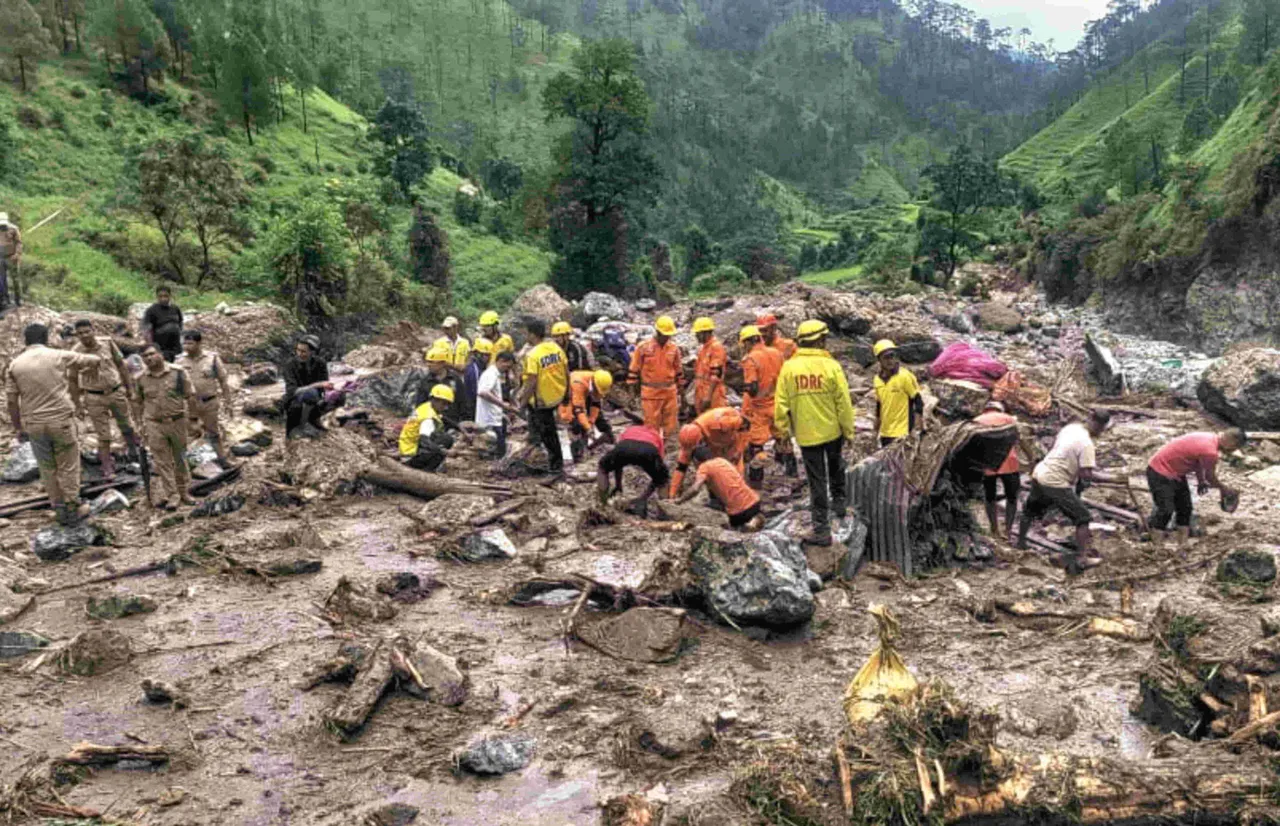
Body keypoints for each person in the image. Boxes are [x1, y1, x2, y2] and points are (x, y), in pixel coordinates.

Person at [5, 324, 103, 524]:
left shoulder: (15, 364)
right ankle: (73, 506)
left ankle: (58, 508)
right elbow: (92, 360)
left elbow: (11, 401)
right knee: (68, 465)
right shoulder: (58, 355)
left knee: (47, 467)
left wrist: (18, 427)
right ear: (46, 338)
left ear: (26, 340)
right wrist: (93, 358)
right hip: (61, 421)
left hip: (34, 423)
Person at [775, 320, 856, 547]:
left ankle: (821, 528)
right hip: (833, 432)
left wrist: (782, 433)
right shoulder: (831, 366)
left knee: (817, 481)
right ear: (820, 340)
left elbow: (781, 403)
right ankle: (839, 504)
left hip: (807, 435)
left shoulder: (789, 368)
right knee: (836, 465)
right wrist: (848, 431)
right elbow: (844, 402)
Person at [1016, 410, 1118, 568]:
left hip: (1041, 472)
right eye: (1102, 429)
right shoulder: (1086, 444)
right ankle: (1083, 559)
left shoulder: (1071, 428)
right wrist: (1114, 479)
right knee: (1083, 518)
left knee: (1030, 510)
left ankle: (1020, 543)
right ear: (1100, 426)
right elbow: (1087, 474)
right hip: (1055, 481)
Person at [67, 319, 140, 480]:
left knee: (127, 425)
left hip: (115, 391)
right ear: (76, 335)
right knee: (103, 434)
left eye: (87, 331)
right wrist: (77, 405)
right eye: (80, 333)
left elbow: (121, 365)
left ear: (93, 330)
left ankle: (136, 454)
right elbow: (72, 380)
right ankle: (106, 466)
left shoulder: (107, 343)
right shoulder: (75, 353)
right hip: (93, 396)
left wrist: (129, 389)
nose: (85, 335)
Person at [1146, 429, 1245, 545]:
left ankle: (1183, 545)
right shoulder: (1210, 452)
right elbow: (1211, 478)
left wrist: (1201, 481)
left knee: (1185, 508)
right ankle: (1156, 546)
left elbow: (1198, 463)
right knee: (1166, 509)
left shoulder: (1209, 437)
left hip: (1176, 472)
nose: (1232, 451)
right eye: (1234, 447)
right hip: (1159, 471)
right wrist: (1224, 489)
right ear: (1231, 441)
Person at [136, 344, 196, 510]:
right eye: (145, 356)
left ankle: (185, 492)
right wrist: (140, 425)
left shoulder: (178, 373)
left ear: (160, 354)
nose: (149, 358)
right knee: (162, 462)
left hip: (177, 421)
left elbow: (190, 396)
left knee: (180, 458)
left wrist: (193, 419)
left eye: (151, 354)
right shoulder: (140, 379)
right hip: (154, 423)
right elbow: (138, 403)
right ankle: (172, 495)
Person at [517, 319, 569, 477]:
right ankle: (535, 452)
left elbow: (531, 381)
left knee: (548, 433)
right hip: (557, 394)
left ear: (532, 334)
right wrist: (567, 393)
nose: (524, 335)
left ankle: (556, 466)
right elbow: (566, 371)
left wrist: (522, 402)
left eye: (526, 332)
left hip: (542, 400)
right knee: (539, 427)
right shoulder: (555, 348)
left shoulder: (532, 355)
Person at [175, 330, 234, 468]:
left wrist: (228, 402)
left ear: (199, 343)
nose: (186, 346)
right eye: (184, 343)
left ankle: (222, 460)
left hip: (209, 401)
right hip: (189, 403)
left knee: (213, 433)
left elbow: (223, 381)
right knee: (191, 434)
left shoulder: (212, 358)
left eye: (190, 343)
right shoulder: (179, 360)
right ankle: (192, 465)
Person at [739, 324, 790, 483]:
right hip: (777, 404)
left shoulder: (750, 359)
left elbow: (753, 388)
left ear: (747, 342)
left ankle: (756, 481)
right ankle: (789, 473)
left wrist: (742, 386)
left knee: (756, 445)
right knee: (782, 438)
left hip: (759, 409)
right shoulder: (776, 353)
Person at [670, 407, 750, 498]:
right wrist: (672, 494)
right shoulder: (689, 436)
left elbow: (746, 424)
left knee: (735, 474)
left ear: (699, 440)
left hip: (732, 444)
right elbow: (681, 467)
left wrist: (740, 448)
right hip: (717, 445)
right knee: (716, 472)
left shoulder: (723, 422)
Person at [677, 449, 764, 532]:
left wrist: (679, 501)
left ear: (696, 460)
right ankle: (755, 521)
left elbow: (695, 488)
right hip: (755, 502)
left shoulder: (704, 467)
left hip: (739, 513)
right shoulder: (722, 460)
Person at [627, 317, 683, 440]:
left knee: (671, 427)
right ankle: (653, 450)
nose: (667, 338)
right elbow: (633, 371)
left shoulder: (674, 349)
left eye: (669, 335)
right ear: (657, 332)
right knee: (651, 427)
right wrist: (631, 395)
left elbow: (679, 371)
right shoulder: (643, 348)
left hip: (670, 393)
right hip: (650, 394)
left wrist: (682, 395)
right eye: (665, 335)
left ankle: (669, 452)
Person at [973, 400, 1021, 542]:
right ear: (1000, 410)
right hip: (1009, 463)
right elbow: (1019, 440)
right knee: (1012, 498)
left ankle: (994, 529)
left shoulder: (976, 421)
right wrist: (1030, 459)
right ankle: (1008, 531)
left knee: (990, 497)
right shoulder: (1009, 419)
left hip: (987, 464)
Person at [597, 423, 670, 514]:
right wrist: (644, 497)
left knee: (603, 468)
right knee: (663, 480)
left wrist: (618, 485)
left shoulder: (629, 429)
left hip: (625, 446)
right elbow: (658, 477)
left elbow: (618, 464)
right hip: (648, 450)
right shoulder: (656, 435)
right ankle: (663, 512)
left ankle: (603, 504)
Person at [872, 339, 922, 448]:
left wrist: (917, 426)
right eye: (886, 357)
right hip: (885, 432)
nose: (890, 360)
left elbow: (918, 400)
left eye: (892, 356)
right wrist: (876, 428)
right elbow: (879, 405)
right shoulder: (877, 380)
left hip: (902, 431)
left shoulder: (904, 376)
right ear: (879, 360)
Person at [398, 384, 460, 472]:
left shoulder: (426, 407)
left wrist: (460, 427)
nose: (446, 408)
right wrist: (444, 451)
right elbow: (424, 441)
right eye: (444, 404)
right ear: (435, 400)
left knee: (439, 436)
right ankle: (427, 470)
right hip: (411, 458)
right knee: (447, 439)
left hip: (407, 452)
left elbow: (443, 418)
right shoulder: (428, 419)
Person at [559, 369, 616, 462]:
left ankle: (604, 440)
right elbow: (579, 410)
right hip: (569, 397)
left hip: (585, 391)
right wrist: (588, 428)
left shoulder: (600, 382)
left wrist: (591, 420)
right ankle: (577, 455)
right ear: (593, 383)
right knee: (575, 425)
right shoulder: (578, 383)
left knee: (597, 420)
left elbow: (596, 403)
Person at [283, 335, 333, 439]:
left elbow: (324, 385)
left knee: (337, 396)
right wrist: (317, 385)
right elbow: (292, 391)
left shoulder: (320, 363)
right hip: (295, 402)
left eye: (303, 351)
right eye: (298, 350)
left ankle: (315, 420)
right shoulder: (290, 365)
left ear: (312, 352)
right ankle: (296, 428)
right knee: (310, 394)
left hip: (315, 400)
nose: (299, 354)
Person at [477, 351, 520, 458]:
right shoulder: (490, 374)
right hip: (489, 419)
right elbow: (483, 392)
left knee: (500, 447)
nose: (508, 369)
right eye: (508, 366)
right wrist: (502, 404)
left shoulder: (497, 375)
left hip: (495, 416)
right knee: (493, 449)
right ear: (501, 361)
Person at [692, 317, 727, 415]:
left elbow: (715, 375)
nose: (696, 336)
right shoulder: (704, 349)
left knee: (714, 423)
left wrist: (708, 397)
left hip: (713, 395)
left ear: (705, 333)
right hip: (702, 392)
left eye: (698, 334)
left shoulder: (716, 347)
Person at [142, 286, 184, 362]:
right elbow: (146, 330)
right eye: (160, 296)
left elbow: (180, 323)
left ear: (170, 296)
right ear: (157, 297)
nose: (163, 299)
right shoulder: (152, 310)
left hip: (176, 346)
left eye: (166, 296)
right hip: (161, 346)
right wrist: (151, 346)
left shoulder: (175, 308)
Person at [461, 339, 492, 422]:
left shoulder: (483, 369)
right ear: (477, 354)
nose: (488, 358)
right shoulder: (473, 370)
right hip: (473, 409)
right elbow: (475, 392)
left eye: (489, 355)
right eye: (485, 355)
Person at [0, 212, 21, 311]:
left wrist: (17, 254)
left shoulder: (14, 228)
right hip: (0, 258)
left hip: (11, 257)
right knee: (2, 280)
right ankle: (5, 300)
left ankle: (18, 299)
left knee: (15, 279)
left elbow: (19, 243)